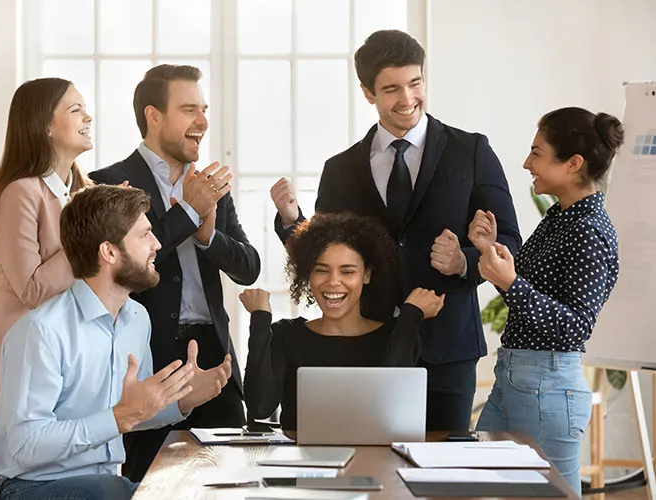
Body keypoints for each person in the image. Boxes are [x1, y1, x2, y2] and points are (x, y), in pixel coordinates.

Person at [270, 30, 521, 431]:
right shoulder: (341, 168)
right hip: (366, 346)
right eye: (391, 89)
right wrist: (290, 220)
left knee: (443, 482)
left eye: (415, 83)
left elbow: (510, 242)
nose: (407, 99)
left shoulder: (471, 151)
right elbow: (323, 251)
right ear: (368, 92)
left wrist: (464, 262)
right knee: (370, 469)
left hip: (447, 351)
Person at [0, 184, 232, 500]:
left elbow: (132, 410)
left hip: (103, 486)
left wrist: (182, 400)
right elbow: (25, 445)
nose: (156, 243)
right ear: (109, 251)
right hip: (31, 488)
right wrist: (119, 417)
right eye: (144, 234)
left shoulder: (137, 318)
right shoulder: (42, 330)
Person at [89, 64, 260, 480]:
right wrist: (186, 212)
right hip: (148, 359)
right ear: (154, 116)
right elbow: (122, 269)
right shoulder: (109, 183)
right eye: (188, 109)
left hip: (213, 356)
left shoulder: (211, 184)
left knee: (228, 483)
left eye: (203, 109)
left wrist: (207, 237)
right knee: (148, 484)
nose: (202, 121)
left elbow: (249, 267)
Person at [470, 107, 623, 495]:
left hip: (546, 387)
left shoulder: (588, 231)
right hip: (517, 379)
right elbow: (532, 292)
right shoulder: (561, 217)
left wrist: (512, 283)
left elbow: (574, 326)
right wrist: (491, 253)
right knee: (478, 482)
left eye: (536, 153)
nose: (526, 163)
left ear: (573, 163)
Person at [240, 213, 444, 429]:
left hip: (375, 459)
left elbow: (389, 400)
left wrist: (410, 315)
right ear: (308, 275)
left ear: (366, 275)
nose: (333, 282)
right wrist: (260, 318)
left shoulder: (395, 334)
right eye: (321, 270)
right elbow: (260, 406)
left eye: (347, 271)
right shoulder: (287, 335)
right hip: (302, 461)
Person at [0, 77, 93, 432]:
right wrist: (89, 233)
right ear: (45, 126)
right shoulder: (21, 193)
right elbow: (32, 289)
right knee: (23, 475)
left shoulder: (81, 194)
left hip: (67, 355)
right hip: (20, 354)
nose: (89, 118)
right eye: (76, 110)